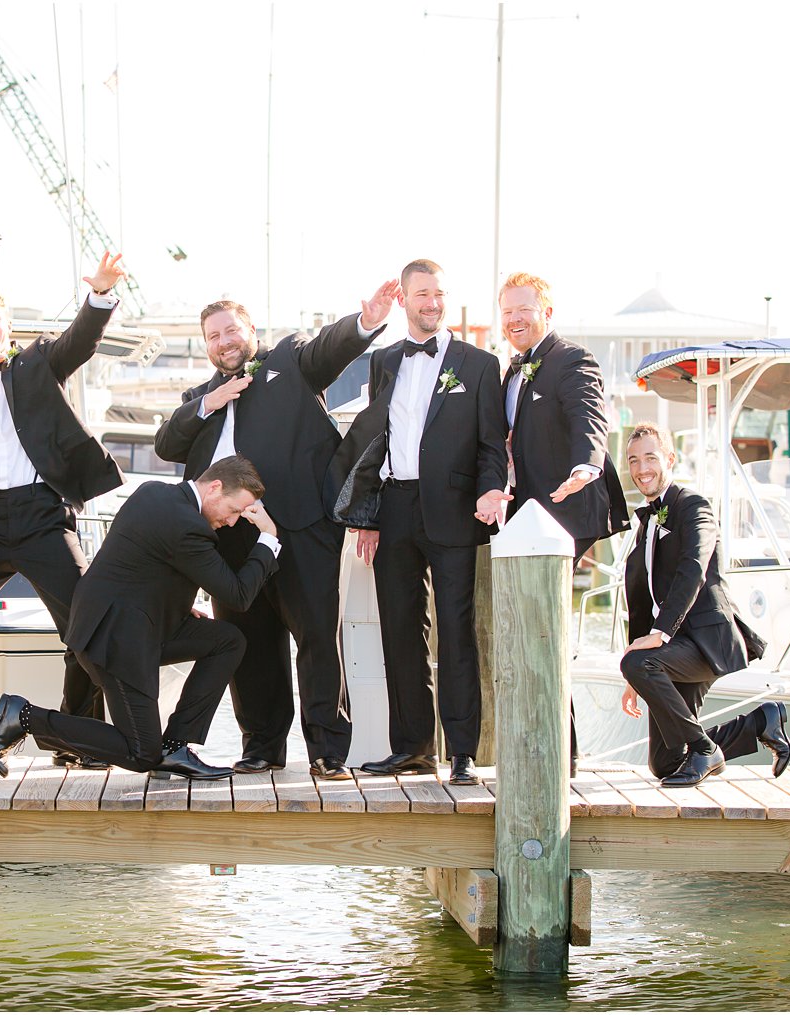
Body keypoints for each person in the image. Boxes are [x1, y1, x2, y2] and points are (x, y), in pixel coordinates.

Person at [153, 283, 397, 780]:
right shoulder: (199, 399)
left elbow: (330, 349)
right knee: (250, 643)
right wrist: (211, 402)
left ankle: (328, 749)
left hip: (300, 528)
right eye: (214, 336)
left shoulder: (287, 362)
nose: (224, 341)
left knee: (315, 638)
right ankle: (262, 746)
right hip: (231, 543)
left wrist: (364, 322)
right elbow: (167, 445)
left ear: (251, 332)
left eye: (231, 330)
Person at [0, 252, 127, 769]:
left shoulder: (37, 363)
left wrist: (100, 295)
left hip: (41, 515)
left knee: (85, 627)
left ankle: (74, 737)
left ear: (8, 325)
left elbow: (80, 340)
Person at [0, 456, 280, 779]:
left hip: (128, 623)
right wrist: (268, 537)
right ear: (215, 488)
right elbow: (238, 595)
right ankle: (25, 717)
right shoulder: (187, 526)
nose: (234, 521)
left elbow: (141, 566)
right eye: (236, 510)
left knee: (227, 640)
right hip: (115, 639)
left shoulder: (154, 493)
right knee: (141, 753)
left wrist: (177, 606)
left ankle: (175, 747)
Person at [329, 261, 508, 787]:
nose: (431, 302)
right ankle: (411, 748)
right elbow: (375, 440)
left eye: (438, 293)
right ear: (404, 300)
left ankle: (462, 753)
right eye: (421, 294)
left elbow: (491, 444)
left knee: (456, 635)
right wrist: (366, 514)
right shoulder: (383, 360)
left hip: (453, 511)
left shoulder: (478, 364)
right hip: (394, 510)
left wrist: (490, 488)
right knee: (400, 633)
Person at [619, 422, 790, 786]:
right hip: (672, 648)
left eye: (650, 457)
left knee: (639, 662)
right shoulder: (646, 523)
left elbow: (693, 569)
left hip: (703, 641)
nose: (641, 468)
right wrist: (635, 672)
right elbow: (640, 601)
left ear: (670, 459)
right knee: (665, 764)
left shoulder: (694, 506)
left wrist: (653, 644)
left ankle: (705, 749)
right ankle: (760, 722)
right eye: (633, 461)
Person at [499, 271, 629, 563]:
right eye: (507, 312)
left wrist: (584, 468)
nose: (514, 319)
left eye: (523, 310)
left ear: (547, 312)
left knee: (544, 600)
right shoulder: (512, 373)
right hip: (528, 513)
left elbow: (588, 414)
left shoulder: (571, 359)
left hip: (566, 507)